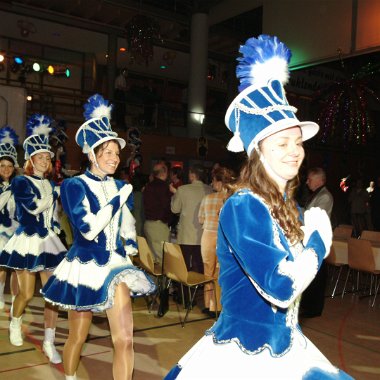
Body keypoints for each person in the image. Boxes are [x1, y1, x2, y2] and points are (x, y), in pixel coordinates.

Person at [164, 35, 352, 380]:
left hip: (287, 344)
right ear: (257, 151)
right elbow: (280, 287)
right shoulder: (243, 206)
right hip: (246, 356)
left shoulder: (290, 207)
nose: (295, 150)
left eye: (297, 141)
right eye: (282, 142)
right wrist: (318, 242)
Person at [41, 94, 156, 380]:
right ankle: (70, 377)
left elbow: (127, 225)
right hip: (85, 266)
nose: (115, 159)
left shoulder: (119, 185)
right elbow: (88, 228)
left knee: (125, 340)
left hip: (114, 267)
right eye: (107, 153)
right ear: (91, 155)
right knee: (77, 337)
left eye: (117, 154)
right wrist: (118, 199)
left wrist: (130, 248)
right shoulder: (72, 186)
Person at [0, 115, 67, 364]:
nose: (45, 160)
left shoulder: (50, 183)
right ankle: (15, 323)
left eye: (48, 157)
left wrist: (56, 223)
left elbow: (52, 216)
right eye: (40, 156)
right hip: (27, 241)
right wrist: (54, 194)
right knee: (26, 294)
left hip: (48, 241)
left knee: (51, 295)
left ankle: (49, 341)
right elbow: (33, 208)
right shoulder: (20, 181)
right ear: (30, 159)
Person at [198, 166, 235, 318]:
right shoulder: (231, 200)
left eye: (213, 181)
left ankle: (208, 305)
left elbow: (200, 220)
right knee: (221, 272)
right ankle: (218, 306)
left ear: (219, 182)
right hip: (224, 238)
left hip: (207, 236)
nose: (212, 184)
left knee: (208, 271)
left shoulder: (207, 198)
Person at [300, 167, 333, 318]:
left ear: (319, 180)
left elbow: (317, 217)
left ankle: (314, 308)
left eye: (310, 179)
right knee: (312, 274)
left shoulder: (325, 196)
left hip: (318, 239)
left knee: (318, 276)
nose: (307, 182)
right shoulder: (317, 194)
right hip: (312, 238)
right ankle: (308, 306)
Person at [170, 164, 212, 273]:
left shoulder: (183, 189)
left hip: (186, 235)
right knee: (200, 264)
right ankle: (200, 287)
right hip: (203, 235)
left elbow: (175, 209)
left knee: (184, 266)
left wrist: (174, 195)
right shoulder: (210, 190)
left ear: (193, 175)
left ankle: (184, 288)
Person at [0, 126, 20, 310]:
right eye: (2, 165)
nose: (6, 169)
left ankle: (16, 300)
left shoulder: (19, 185)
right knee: (0, 268)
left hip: (16, 231)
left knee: (16, 269)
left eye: (9, 165)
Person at [143, 162, 173, 265]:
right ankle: (163, 281)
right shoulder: (163, 187)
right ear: (164, 173)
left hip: (148, 224)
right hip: (158, 226)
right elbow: (167, 207)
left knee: (153, 260)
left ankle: (153, 281)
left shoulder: (148, 186)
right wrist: (168, 220)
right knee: (164, 260)